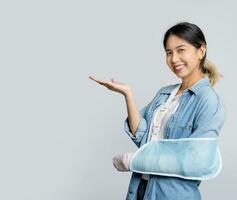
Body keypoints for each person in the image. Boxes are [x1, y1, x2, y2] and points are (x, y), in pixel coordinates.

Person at [89, 21, 225, 200]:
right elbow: (143, 138)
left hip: (173, 194)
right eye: (169, 52)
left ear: (201, 51)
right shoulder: (165, 93)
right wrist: (128, 95)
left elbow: (197, 160)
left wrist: (132, 161)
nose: (174, 59)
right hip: (141, 188)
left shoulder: (207, 100)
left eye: (181, 50)